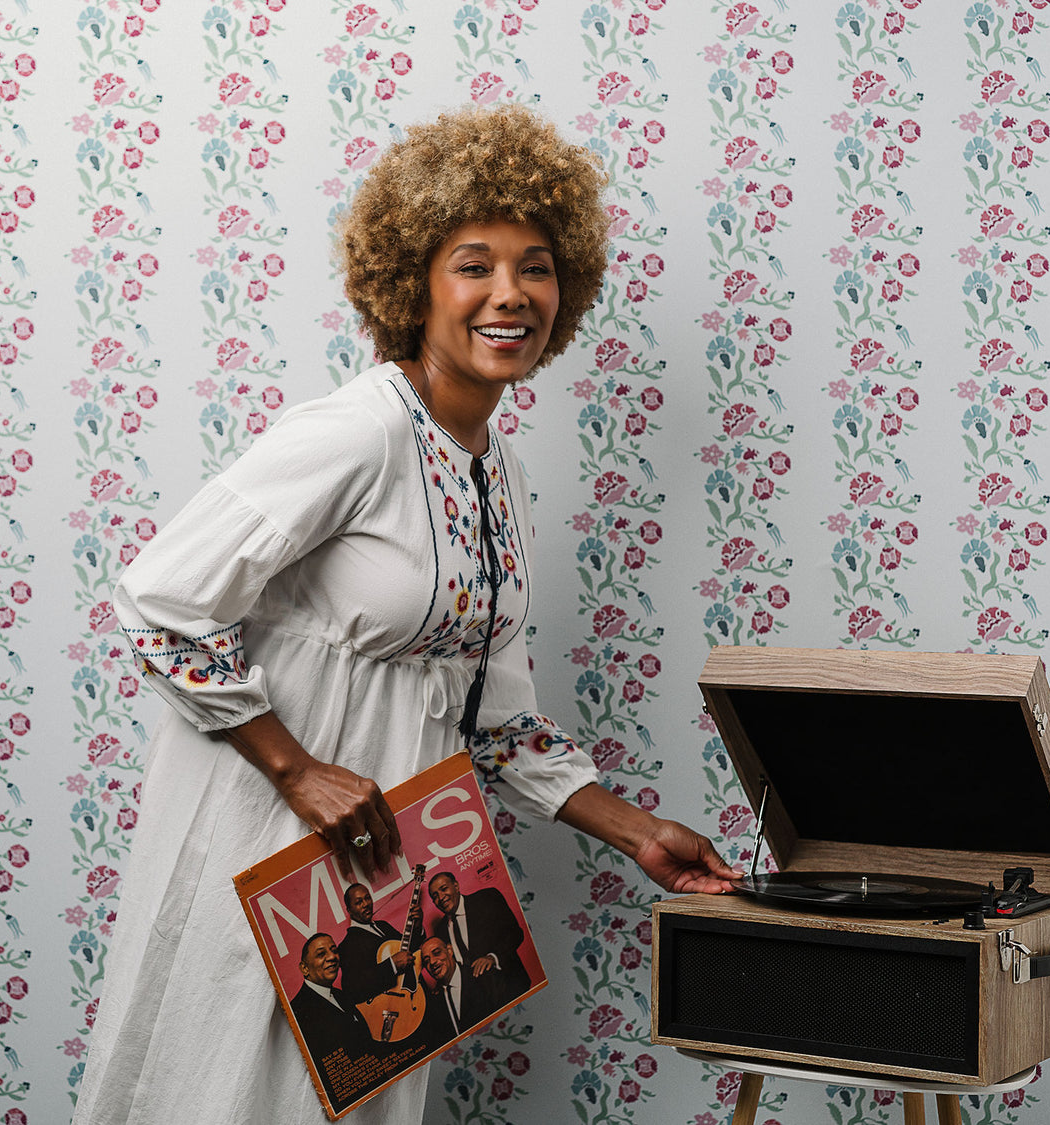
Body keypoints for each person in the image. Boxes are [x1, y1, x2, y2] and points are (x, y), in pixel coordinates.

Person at [72, 104, 735, 1125]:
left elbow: (495, 715)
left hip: (400, 860)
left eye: (538, 266)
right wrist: (297, 771)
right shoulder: (355, 433)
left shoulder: (493, 471)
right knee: (225, 1095)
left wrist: (637, 833)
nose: (511, 294)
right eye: (474, 265)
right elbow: (161, 600)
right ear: (412, 283)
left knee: (355, 1105)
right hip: (275, 835)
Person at [426, 871, 528, 1007]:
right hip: (479, 1007)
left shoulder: (487, 898)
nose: (441, 897)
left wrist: (492, 957)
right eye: (435, 896)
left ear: (456, 886)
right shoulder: (440, 931)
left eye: (444, 889)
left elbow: (515, 933)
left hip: (511, 988)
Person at [289, 933, 377, 1071]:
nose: (332, 957)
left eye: (334, 951)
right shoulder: (297, 1011)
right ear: (305, 968)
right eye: (321, 954)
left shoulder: (342, 996)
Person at [337, 882, 416, 1006]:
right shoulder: (346, 946)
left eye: (367, 898)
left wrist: (417, 927)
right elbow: (352, 990)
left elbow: (410, 952)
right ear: (349, 910)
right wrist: (392, 965)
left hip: (413, 997)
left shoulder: (383, 926)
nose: (366, 904)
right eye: (358, 902)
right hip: (389, 1007)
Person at [418, 935, 500, 1042]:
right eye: (426, 961)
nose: (432, 962)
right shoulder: (434, 1002)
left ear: (450, 950)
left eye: (437, 953)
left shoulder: (484, 977)